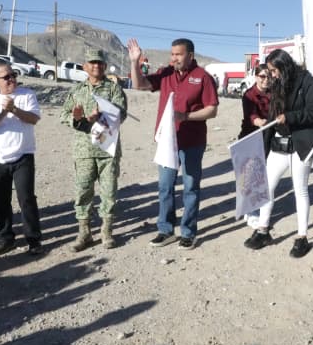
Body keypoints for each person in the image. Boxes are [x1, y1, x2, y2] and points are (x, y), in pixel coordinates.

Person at [128, 37, 219, 249]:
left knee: (190, 187)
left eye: (178, 54)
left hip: (192, 142)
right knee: (165, 187)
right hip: (167, 142)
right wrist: (134, 62)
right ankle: (166, 230)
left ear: (190, 55)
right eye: (172, 54)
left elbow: (212, 110)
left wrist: (185, 116)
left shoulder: (202, 77)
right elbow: (139, 84)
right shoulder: (166, 74)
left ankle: (188, 232)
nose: (174, 58)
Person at [243, 49, 313, 258]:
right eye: (269, 71)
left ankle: (302, 237)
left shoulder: (308, 82)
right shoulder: (278, 83)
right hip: (279, 144)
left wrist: (290, 117)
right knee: (267, 186)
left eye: (273, 70)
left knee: (300, 190)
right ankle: (263, 230)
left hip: (301, 144)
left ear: (283, 66)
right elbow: (272, 110)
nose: (272, 75)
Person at [0, 62, 43, 256]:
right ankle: (5, 238)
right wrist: (4, 112)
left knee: (27, 198)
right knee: (1, 200)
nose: (12, 79)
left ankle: (33, 239)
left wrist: (14, 110)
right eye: (6, 77)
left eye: (13, 75)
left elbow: (34, 119)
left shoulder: (27, 94)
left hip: (23, 155)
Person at [64, 48, 128, 251]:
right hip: (84, 150)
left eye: (100, 63)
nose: (96, 66)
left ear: (105, 66)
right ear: (85, 66)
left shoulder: (114, 89)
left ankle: (106, 231)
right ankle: (84, 233)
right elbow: (64, 115)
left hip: (107, 149)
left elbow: (121, 113)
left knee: (109, 192)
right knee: (83, 191)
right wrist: (77, 118)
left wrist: (101, 116)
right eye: (92, 62)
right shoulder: (76, 90)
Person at [239, 64, 271, 140]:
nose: (266, 79)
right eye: (262, 76)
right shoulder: (249, 94)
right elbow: (251, 115)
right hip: (251, 133)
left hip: (269, 133)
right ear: (256, 77)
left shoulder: (274, 93)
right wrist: (259, 122)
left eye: (269, 76)